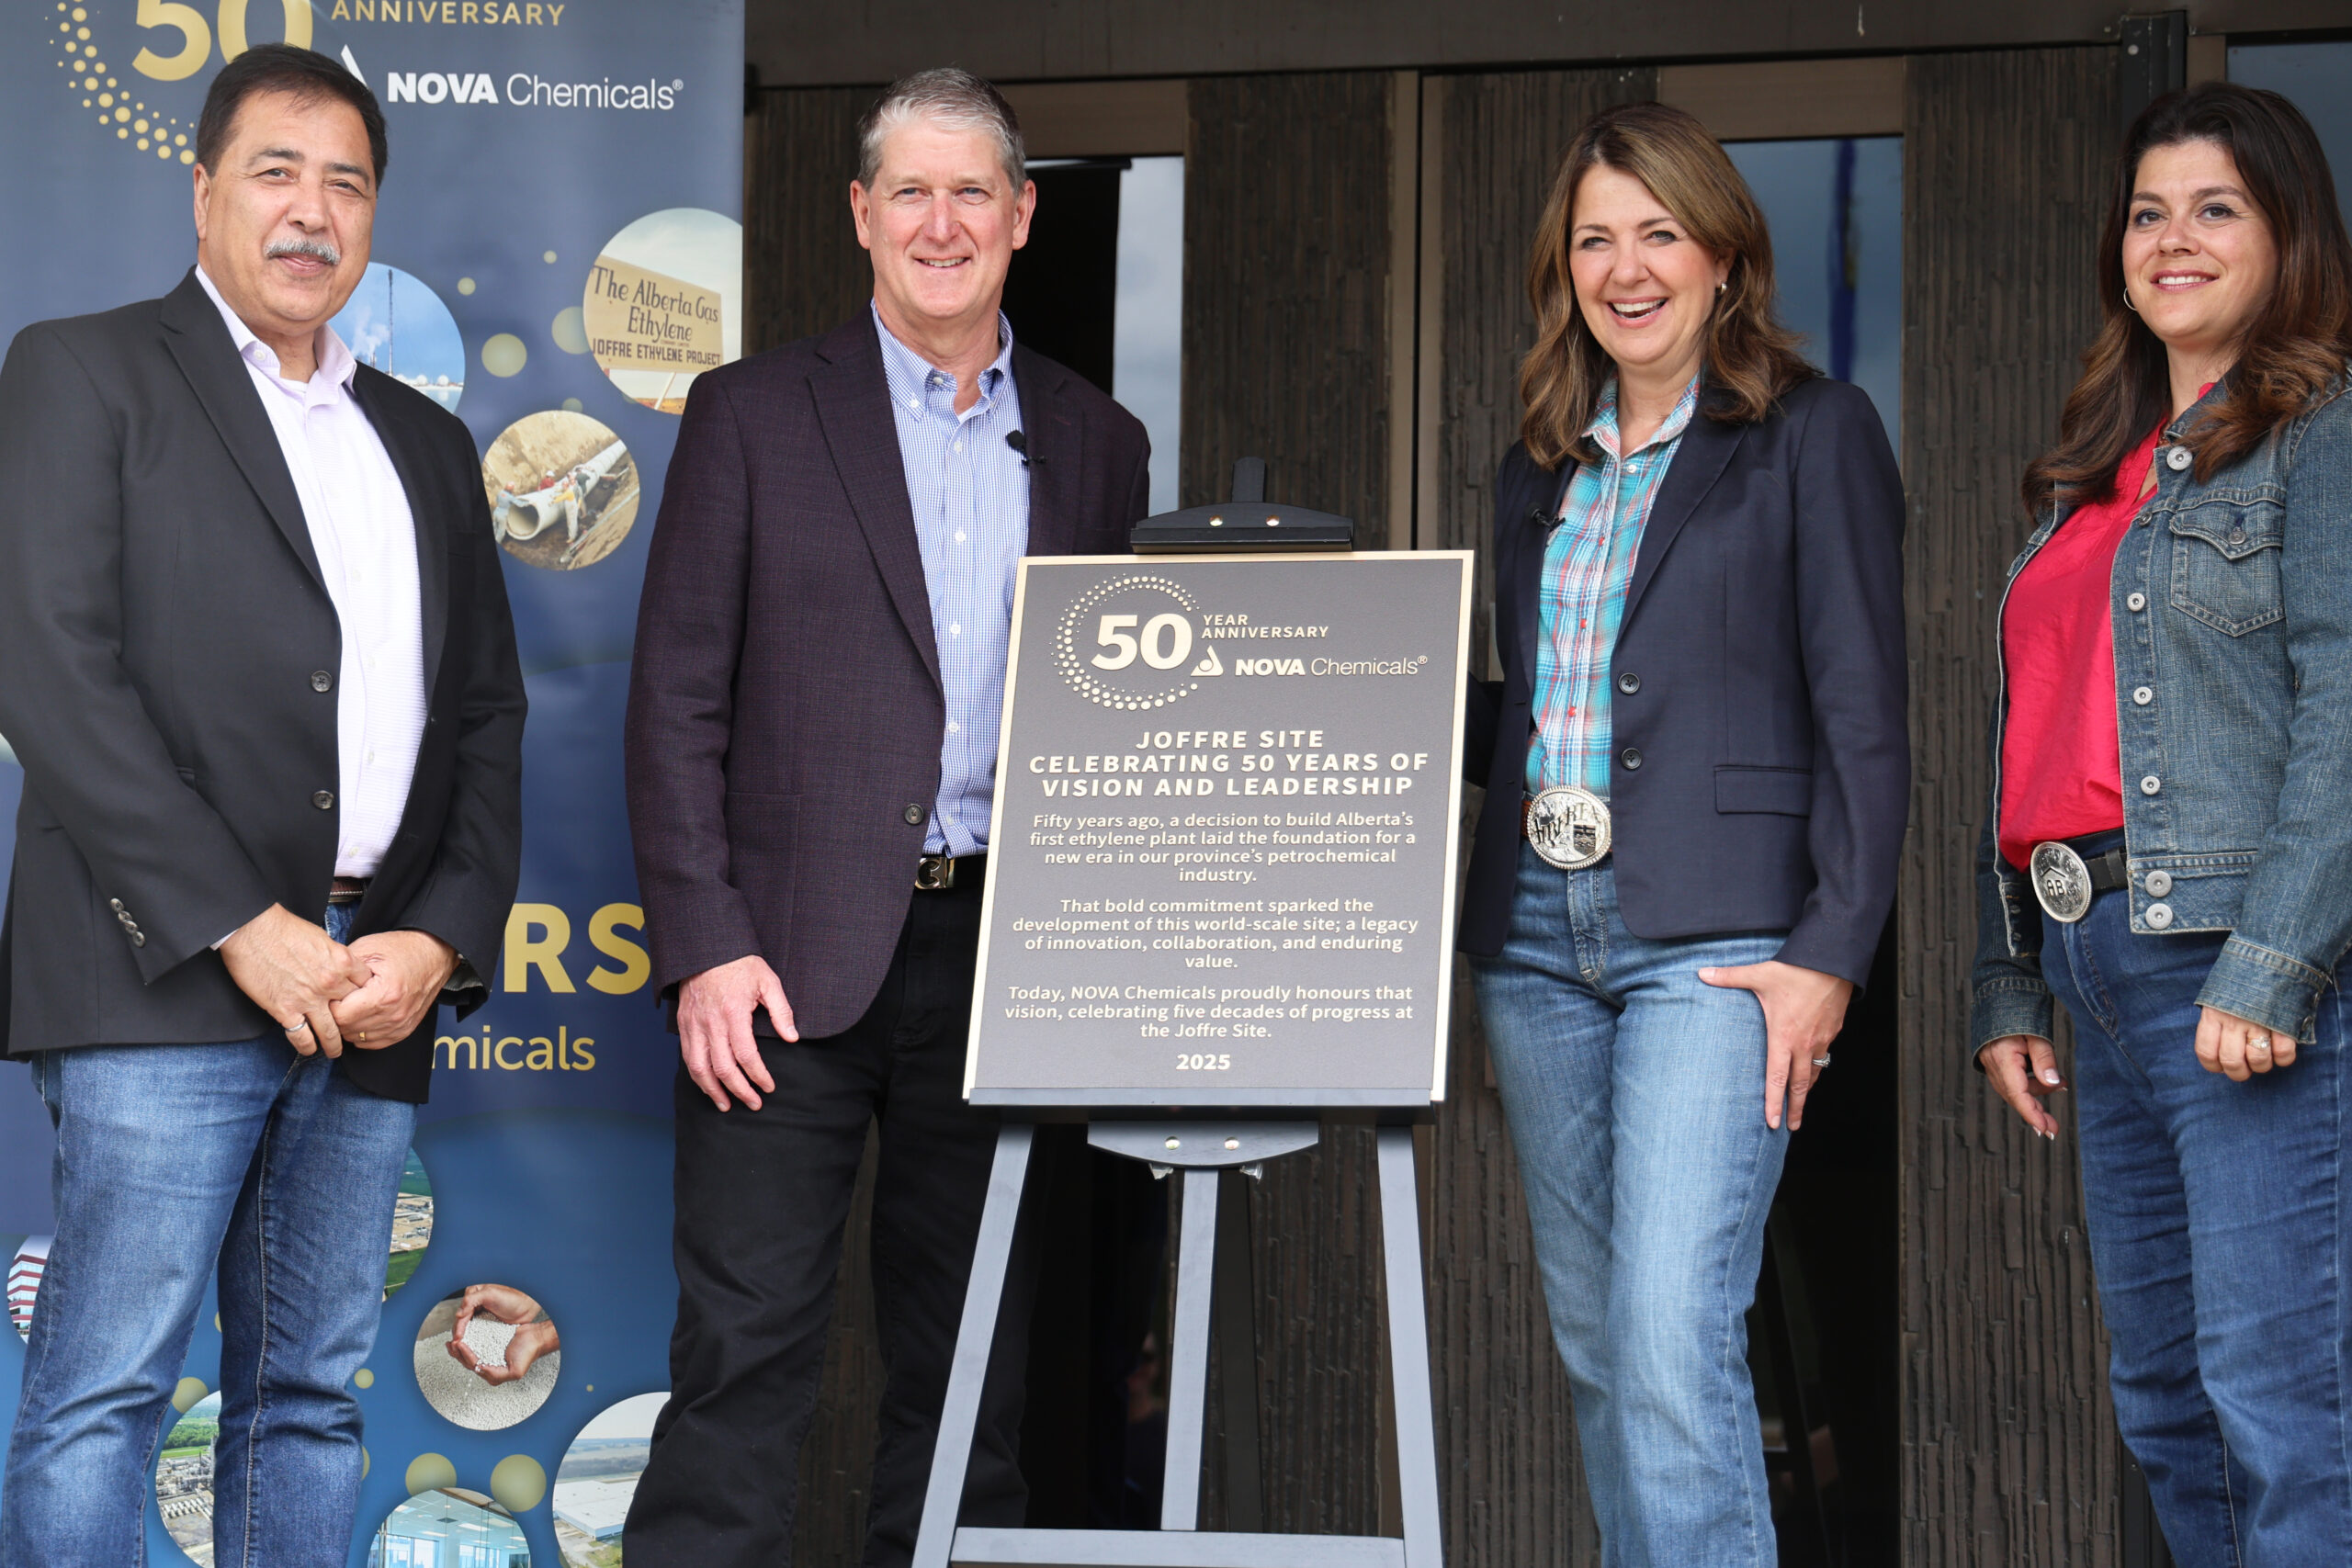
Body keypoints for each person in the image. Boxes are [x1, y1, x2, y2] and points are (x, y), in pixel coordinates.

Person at [0, 42, 525, 1568]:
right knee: (104, 1392)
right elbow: (47, 668)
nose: (312, 211)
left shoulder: (424, 443)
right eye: (277, 173)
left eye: (345, 183)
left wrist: (435, 936)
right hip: (157, 969)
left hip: (374, 983)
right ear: (205, 191)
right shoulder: (82, 368)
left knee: (308, 1396)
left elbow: (486, 715)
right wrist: (241, 924)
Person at [621, 67, 1149, 1568]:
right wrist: (704, 947)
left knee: (968, 1379)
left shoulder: (1100, 444)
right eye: (908, 191)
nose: (940, 222)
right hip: (776, 977)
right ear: (860, 216)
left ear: (1024, 215)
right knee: (743, 1369)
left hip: (997, 971)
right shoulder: (749, 414)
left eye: (972, 190)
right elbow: (673, 705)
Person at [1456, 101, 1906, 1565]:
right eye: (1597, 238)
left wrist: (1831, 950)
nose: (1627, 266)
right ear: (1564, 268)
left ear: (1724, 253)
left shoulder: (1811, 432)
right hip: (1535, 943)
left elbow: (1863, 713)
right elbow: (1529, 709)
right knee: (1602, 1355)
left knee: (1668, 1339)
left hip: (1721, 948)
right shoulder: (1541, 463)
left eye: (1659, 232)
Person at [1973, 83, 2352, 1565]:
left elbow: (2345, 703)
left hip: (2230, 968)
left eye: (2216, 209)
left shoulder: (2318, 434)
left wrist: (2275, 964)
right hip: (2094, 966)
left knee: (2280, 1403)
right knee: (2167, 1406)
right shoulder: (2098, 468)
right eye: (2149, 212)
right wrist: (2009, 974)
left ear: (2287, 236)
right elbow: (2033, 731)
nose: (2173, 240)